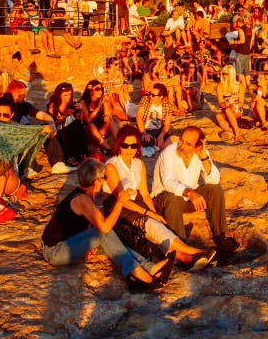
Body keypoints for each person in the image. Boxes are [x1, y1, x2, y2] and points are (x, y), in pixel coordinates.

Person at [41, 158, 176, 292]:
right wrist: (120, 201)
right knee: (103, 233)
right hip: (55, 251)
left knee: (114, 237)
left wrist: (87, 245)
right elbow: (104, 228)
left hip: (69, 245)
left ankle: (150, 268)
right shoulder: (82, 199)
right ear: (97, 181)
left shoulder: (86, 195)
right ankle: (135, 272)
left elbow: (90, 225)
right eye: (104, 178)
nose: (105, 180)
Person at [103, 125, 215, 270]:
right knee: (152, 226)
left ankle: (185, 259)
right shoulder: (111, 166)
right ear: (119, 145)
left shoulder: (139, 164)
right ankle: (196, 252)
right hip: (119, 208)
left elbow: (145, 194)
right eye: (125, 145)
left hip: (137, 204)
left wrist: (154, 213)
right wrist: (149, 214)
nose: (129, 149)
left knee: (160, 224)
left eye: (133, 145)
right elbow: (121, 199)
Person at [151, 126, 239, 252]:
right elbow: (168, 181)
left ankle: (220, 236)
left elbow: (214, 180)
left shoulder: (201, 152)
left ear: (198, 145)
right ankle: (180, 244)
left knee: (215, 189)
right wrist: (190, 193)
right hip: (164, 198)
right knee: (172, 198)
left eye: (188, 144)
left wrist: (203, 157)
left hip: (186, 200)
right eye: (181, 140)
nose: (182, 146)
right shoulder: (169, 152)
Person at [136, 82, 173, 153]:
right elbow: (139, 117)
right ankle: (157, 144)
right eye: (150, 93)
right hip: (145, 129)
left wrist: (162, 135)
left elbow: (167, 124)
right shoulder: (145, 100)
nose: (150, 96)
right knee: (145, 141)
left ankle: (156, 144)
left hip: (158, 130)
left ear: (161, 97)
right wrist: (144, 133)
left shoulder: (167, 105)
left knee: (173, 139)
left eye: (153, 95)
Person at [214, 64, 245, 143]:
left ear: (231, 74)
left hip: (236, 110)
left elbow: (241, 103)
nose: (224, 76)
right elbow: (220, 103)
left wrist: (233, 105)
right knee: (218, 115)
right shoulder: (220, 86)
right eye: (223, 73)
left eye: (226, 74)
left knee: (228, 110)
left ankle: (236, 132)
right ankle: (229, 132)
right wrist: (226, 105)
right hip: (225, 108)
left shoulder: (239, 86)